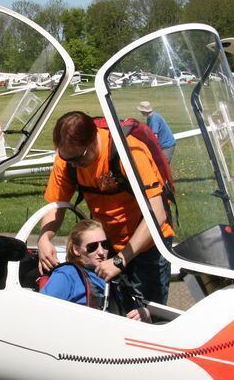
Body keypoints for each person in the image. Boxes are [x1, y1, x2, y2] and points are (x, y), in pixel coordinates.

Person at [37, 111, 173, 305]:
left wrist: (120, 260)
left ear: (94, 140)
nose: (74, 165)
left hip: (147, 244)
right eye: (68, 159)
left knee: (148, 313)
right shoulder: (68, 159)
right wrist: (44, 238)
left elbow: (157, 214)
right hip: (107, 245)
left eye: (79, 158)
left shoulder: (128, 152)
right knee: (110, 308)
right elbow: (56, 207)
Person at [40, 218, 146, 321]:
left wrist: (144, 314)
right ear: (76, 250)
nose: (101, 252)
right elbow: (41, 312)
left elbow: (130, 310)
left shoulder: (113, 275)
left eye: (104, 245)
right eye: (92, 247)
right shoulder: (67, 275)